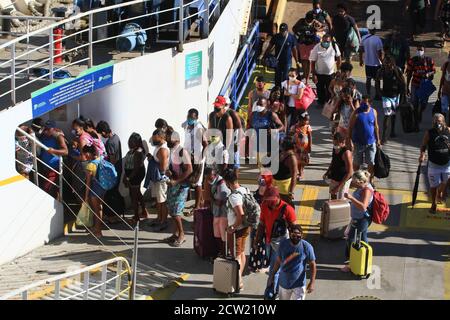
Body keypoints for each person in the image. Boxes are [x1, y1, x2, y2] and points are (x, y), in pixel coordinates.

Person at [268, 224, 317, 300]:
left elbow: (312, 264)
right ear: (290, 234)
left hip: (299, 285)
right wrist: (272, 275)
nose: (296, 238)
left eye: (298, 236)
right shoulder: (283, 245)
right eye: (293, 235)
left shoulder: (307, 247)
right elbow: (278, 261)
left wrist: (312, 282)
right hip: (284, 284)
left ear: (302, 235)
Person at [223, 169, 251, 290]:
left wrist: (232, 228)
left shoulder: (234, 196)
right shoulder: (245, 189)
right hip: (245, 227)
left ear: (228, 182)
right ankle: (239, 278)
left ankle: (238, 282)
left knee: (236, 256)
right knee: (242, 252)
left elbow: (240, 215)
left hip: (237, 229)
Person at [341, 170, 374, 272]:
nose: (353, 183)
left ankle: (351, 263)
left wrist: (351, 197)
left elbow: (363, 206)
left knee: (351, 239)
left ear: (361, 181)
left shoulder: (366, 190)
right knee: (363, 238)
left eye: (355, 182)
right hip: (359, 218)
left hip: (361, 219)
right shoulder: (362, 187)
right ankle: (364, 258)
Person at [165, 129, 193, 247]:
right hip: (174, 184)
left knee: (176, 211)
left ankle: (182, 235)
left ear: (175, 139)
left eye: (168, 138)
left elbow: (189, 169)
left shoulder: (182, 152)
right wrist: (170, 173)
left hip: (182, 186)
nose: (166, 140)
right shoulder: (172, 151)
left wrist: (177, 181)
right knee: (171, 210)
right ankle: (175, 233)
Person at [419, 113, 450, 213]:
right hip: (433, 164)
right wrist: (422, 154)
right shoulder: (429, 133)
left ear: (443, 122)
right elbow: (423, 145)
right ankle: (433, 203)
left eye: (439, 121)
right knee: (433, 186)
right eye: (435, 121)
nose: (437, 123)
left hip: (446, 164)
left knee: (445, 182)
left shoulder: (448, 131)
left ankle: (440, 192)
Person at [96, 121, 125, 224]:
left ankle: (112, 216)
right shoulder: (116, 137)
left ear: (104, 132)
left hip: (113, 171)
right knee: (115, 192)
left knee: (111, 194)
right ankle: (117, 215)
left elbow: (112, 160)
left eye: (101, 133)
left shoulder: (110, 143)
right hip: (118, 169)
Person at [347, 95, 381, 177]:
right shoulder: (356, 113)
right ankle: (357, 178)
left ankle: (370, 180)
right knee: (356, 163)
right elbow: (350, 127)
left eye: (365, 103)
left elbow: (376, 126)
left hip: (371, 143)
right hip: (358, 143)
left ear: (370, 103)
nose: (363, 105)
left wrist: (378, 139)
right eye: (362, 103)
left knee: (371, 162)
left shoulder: (374, 112)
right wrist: (349, 140)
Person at [182, 108, 208, 217]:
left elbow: (206, 144)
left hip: (197, 158)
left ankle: (197, 207)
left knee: (197, 183)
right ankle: (200, 202)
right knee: (191, 180)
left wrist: (200, 157)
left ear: (196, 118)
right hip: (189, 157)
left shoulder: (199, 128)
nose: (189, 119)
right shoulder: (187, 126)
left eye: (192, 118)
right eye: (188, 117)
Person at [376, 56, 406, 144]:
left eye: (388, 63)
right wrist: (379, 92)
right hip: (386, 96)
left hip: (396, 95)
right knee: (387, 115)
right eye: (385, 62)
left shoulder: (397, 70)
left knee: (393, 113)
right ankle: (384, 136)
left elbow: (403, 83)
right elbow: (377, 81)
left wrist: (403, 96)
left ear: (392, 63)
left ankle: (392, 130)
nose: (386, 64)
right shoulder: (381, 71)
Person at [406, 45, 436, 131]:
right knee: (415, 104)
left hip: (425, 85)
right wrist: (407, 86)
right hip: (415, 84)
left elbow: (434, 70)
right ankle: (416, 125)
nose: (419, 51)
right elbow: (409, 74)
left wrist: (428, 74)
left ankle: (420, 112)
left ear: (424, 51)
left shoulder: (429, 60)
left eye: (421, 50)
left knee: (424, 104)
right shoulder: (412, 60)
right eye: (418, 49)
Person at [263, 23, 300, 88]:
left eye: (284, 31)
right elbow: (270, 47)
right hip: (278, 61)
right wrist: (265, 56)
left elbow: (294, 50)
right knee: (277, 76)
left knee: (285, 76)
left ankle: (284, 91)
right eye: (281, 31)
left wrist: (297, 61)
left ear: (287, 30)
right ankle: (277, 89)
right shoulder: (276, 37)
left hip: (287, 61)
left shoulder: (291, 38)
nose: (282, 33)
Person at [310, 33, 342, 108]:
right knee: (320, 88)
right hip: (319, 73)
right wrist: (314, 74)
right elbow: (313, 62)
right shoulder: (317, 47)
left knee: (330, 89)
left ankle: (328, 103)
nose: (326, 43)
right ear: (322, 40)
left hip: (330, 74)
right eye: (324, 41)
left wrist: (338, 70)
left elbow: (339, 58)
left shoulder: (334, 46)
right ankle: (320, 102)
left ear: (330, 41)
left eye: (328, 41)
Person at [204, 167, 230, 257]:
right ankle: (221, 252)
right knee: (217, 233)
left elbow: (219, 201)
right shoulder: (212, 182)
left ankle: (225, 253)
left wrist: (211, 199)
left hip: (223, 213)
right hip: (216, 212)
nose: (208, 180)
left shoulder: (222, 184)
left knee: (223, 234)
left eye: (209, 178)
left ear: (215, 175)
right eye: (206, 178)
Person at [38, 120, 68, 199]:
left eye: (48, 129)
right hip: (44, 167)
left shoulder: (58, 136)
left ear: (53, 129)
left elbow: (65, 151)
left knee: (49, 188)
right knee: (50, 189)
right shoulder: (43, 135)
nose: (46, 131)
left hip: (54, 168)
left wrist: (53, 151)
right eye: (45, 129)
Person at [123, 133, 148, 224]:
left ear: (137, 142)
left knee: (133, 196)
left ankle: (136, 217)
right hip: (131, 175)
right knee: (137, 193)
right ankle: (144, 212)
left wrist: (128, 178)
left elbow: (136, 168)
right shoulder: (133, 150)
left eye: (132, 141)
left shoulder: (138, 152)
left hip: (135, 175)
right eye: (129, 140)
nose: (129, 143)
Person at [148, 129, 170, 231]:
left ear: (161, 137)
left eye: (155, 138)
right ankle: (159, 218)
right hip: (157, 179)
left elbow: (163, 167)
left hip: (161, 179)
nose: (153, 140)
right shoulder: (158, 147)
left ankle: (163, 221)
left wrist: (153, 162)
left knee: (162, 201)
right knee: (158, 200)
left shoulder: (163, 150)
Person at [82, 145, 107, 238]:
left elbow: (88, 183)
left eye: (85, 154)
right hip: (103, 187)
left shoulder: (90, 165)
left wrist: (86, 196)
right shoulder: (101, 159)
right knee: (100, 208)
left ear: (88, 153)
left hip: (95, 189)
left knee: (96, 210)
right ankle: (97, 228)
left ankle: (99, 232)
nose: (85, 156)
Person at [251, 97, 285, 166]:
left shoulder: (271, 115)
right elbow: (251, 126)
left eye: (261, 105)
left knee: (267, 164)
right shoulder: (254, 114)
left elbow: (282, 126)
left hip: (269, 143)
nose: (258, 106)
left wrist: (274, 130)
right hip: (257, 142)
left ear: (266, 105)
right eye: (257, 104)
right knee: (260, 164)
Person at [292, 12, 322, 84]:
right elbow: (294, 28)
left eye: (312, 19)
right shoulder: (301, 21)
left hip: (311, 44)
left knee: (309, 61)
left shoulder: (314, 21)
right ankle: (305, 75)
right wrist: (299, 34)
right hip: (302, 43)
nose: (311, 20)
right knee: (303, 61)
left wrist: (317, 29)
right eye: (310, 19)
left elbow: (322, 26)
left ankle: (307, 79)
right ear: (307, 18)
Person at [246, 76, 271, 162]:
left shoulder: (268, 93)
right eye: (257, 83)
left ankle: (265, 155)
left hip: (264, 118)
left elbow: (269, 107)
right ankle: (247, 154)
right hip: (254, 117)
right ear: (256, 83)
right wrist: (249, 118)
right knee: (248, 135)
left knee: (264, 137)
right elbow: (249, 107)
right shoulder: (252, 93)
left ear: (264, 84)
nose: (259, 85)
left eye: (261, 83)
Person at [324, 132, 354, 200]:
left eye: (336, 143)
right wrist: (327, 172)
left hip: (343, 180)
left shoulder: (346, 153)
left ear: (342, 142)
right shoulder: (335, 149)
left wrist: (339, 187)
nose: (334, 145)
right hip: (334, 177)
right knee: (333, 196)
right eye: (334, 143)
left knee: (341, 200)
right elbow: (333, 161)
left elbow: (350, 172)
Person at [208, 96, 233, 173]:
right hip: (214, 144)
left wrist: (226, 149)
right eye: (215, 106)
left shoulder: (227, 117)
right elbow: (209, 130)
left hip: (223, 146)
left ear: (223, 106)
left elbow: (229, 134)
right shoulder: (212, 115)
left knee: (222, 170)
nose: (216, 108)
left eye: (218, 106)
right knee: (211, 170)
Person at [273, 136, 298, 207]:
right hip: (275, 183)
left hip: (284, 186)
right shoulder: (281, 152)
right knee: (277, 204)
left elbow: (294, 176)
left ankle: (290, 217)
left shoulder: (292, 158)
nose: (280, 144)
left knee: (286, 205)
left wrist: (291, 192)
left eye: (282, 143)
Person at [359, 28, 384, 98]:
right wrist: (383, 62)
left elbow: (361, 50)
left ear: (369, 30)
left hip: (367, 63)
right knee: (377, 80)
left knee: (368, 79)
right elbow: (380, 53)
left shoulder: (363, 38)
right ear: (375, 31)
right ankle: (377, 94)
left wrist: (361, 60)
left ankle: (368, 94)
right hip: (377, 64)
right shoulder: (378, 39)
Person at [290, 111, 312, 181]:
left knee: (302, 161)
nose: (307, 121)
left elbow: (310, 137)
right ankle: (296, 172)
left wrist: (310, 146)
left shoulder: (307, 127)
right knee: (296, 160)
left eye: (308, 120)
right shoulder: (295, 126)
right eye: (306, 120)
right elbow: (290, 134)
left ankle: (301, 173)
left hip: (304, 148)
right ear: (300, 120)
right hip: (296, 148)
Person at [224, 96, 243, 177]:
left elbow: (240, 128)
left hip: (234, 139)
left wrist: (238, 143)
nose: (224, 106)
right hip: (225, 139)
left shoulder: (233, 113)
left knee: (235, 162)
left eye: (226, 104)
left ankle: (235, 180)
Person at [438, 52, 450, 122]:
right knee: (443, 111)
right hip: (445, 91)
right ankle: (443, 125)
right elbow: (442, 78)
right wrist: (439, 90)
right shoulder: (446, 65)